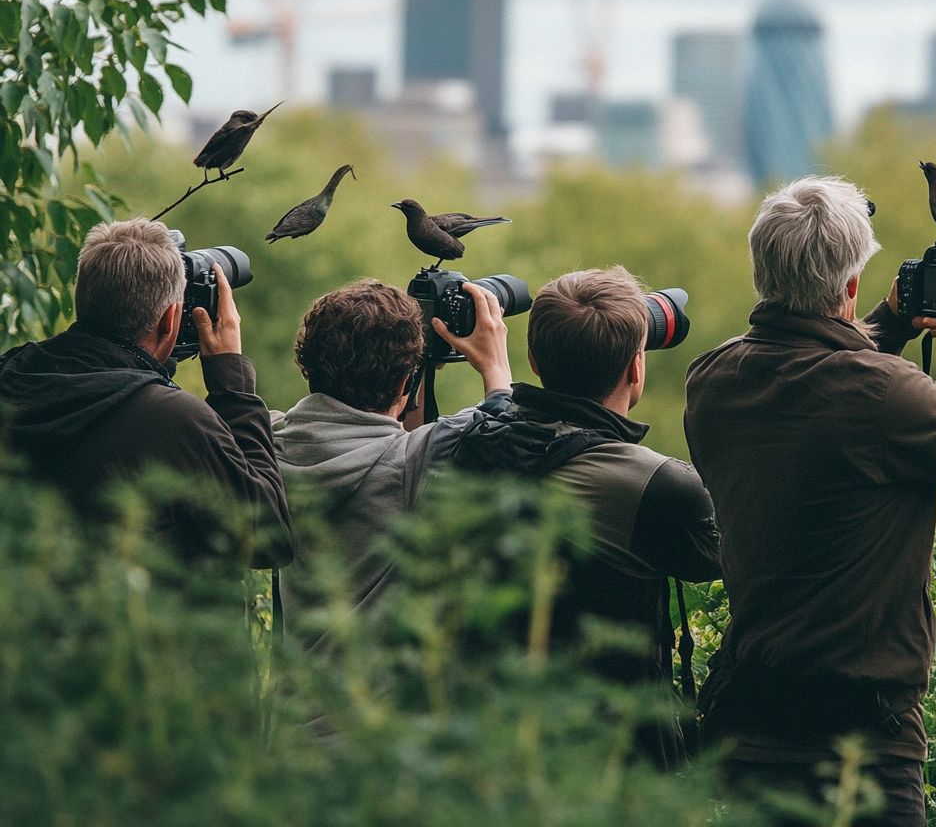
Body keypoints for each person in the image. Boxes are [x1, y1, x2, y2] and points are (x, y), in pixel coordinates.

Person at [684, 176, 936, 826]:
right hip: (862, 750)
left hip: (750, 733)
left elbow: (817, 379)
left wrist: (892, 321)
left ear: (763, 272)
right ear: (848, 288)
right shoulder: (879, 395)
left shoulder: (713, 380)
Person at [452, 266, 722, 770]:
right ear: (636, 368)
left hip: (495, 746)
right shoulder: (654, 483)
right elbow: (728, 554)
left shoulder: (473, 447)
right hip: (616, 758)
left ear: (533, 360)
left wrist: (497, 389)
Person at [0, 218, 292, 568]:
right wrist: (232, 383)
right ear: (171, 318)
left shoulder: (11, 373)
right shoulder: (171, 420)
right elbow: (268, 541)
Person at [271, 278, 512, 650]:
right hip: (376, 705)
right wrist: (496, 371)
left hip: (295, 703)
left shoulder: (268, 441)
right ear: (404, 382)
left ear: (308, 367)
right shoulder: (412, 463)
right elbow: (503, 428)